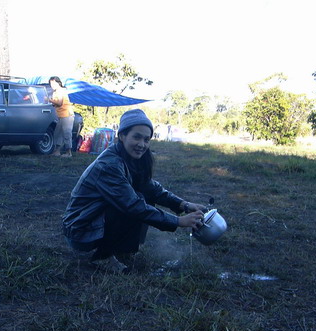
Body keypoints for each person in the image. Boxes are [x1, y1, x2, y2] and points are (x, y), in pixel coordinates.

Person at [62, 109, 207, 273]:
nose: (142, 144)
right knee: (132, 203)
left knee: (144, 195)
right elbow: (132, 205)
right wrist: (178, 221)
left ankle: (121, 248)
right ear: (122, 136)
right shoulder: (109, 165)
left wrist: (184, 205)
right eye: (136, 137)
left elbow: (152, 188)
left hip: (93, 220)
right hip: (79, 230)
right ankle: (102, 256)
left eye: (146, 139)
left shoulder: (130, 157)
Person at [48, 76, 75, 157]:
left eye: (53, 83)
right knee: (58, 133)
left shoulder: (61, 91)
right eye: (51, 84)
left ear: (58, 83)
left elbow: (59, 103)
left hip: (67, 115)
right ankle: (57, 151)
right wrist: (52, 102)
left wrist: (49, 100)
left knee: (67, 133)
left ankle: (68, 153)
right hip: (60, 115)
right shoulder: (55, 93)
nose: (52, 85)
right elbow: (56, 104)